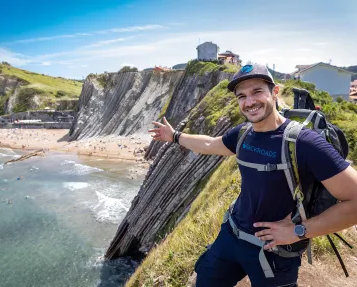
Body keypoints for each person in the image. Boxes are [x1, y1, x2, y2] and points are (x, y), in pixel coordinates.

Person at [148, 64, 357, 287]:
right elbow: (210, 144)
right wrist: (175, 136)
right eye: (242, 96)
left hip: (274, 251)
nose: (249, 102)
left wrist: (298, 231)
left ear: (274, 92)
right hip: (230, 236)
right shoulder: (243, 133)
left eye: (257, 92)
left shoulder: (305, 143)